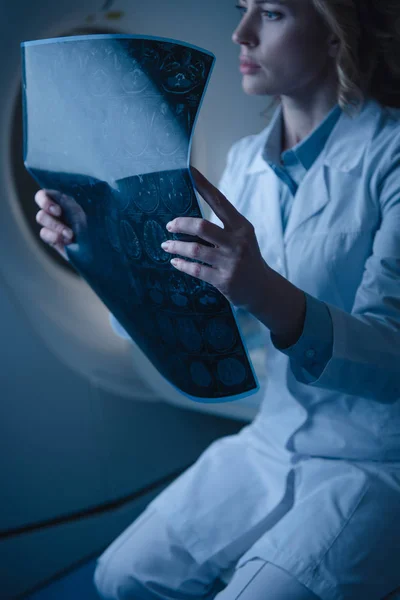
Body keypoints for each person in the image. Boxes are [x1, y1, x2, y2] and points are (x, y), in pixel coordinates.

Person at [34, 0, 400, 598]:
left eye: (273, 13)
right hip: (272, 439)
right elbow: (192, 302)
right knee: (121, 576)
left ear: (339, 38)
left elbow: (393, 358)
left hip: (377, 457)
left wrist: (258, 287)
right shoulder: (243, 161)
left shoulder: (392, 156)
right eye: (241, 8)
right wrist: (92, 242)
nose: (241, 32)